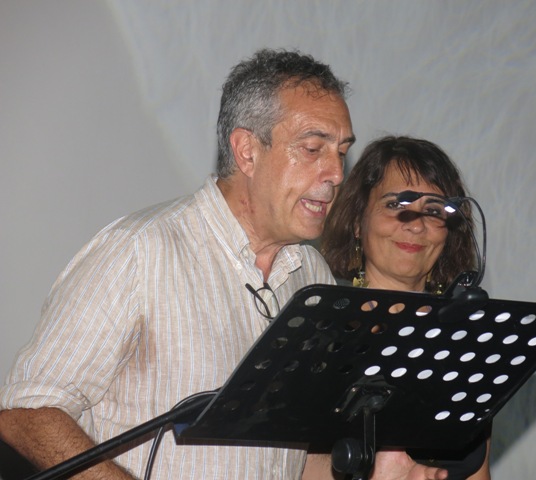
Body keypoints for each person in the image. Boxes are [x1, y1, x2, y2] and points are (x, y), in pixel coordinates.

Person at [0, 49, 446, 480]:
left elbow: (289, 462)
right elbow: (26, 413)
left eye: (341, 152)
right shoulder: (140, 251)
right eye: (313, 148)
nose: (335, 173)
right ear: (247, 151)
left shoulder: (311, 274)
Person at [321, 136, 492, 480]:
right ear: (357, 222)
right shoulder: (325, 335)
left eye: (434, 210)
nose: (416, 224)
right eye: (396, 204)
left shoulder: (466, 342)